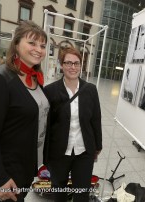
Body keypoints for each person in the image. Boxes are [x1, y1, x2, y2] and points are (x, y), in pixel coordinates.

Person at [0, 20, 49, 202]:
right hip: (7, 174)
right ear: (16, 44)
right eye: (32, 43)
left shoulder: (34, 79)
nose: (38, 49)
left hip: (25, 167)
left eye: (42, 45)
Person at [44, 47, 102, 202]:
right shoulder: (50, 91)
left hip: (84, 152)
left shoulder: (90, 90)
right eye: (68, 63)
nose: (73, 67)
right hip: (58, 152)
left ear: (81, 65)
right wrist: (45, 155)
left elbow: (96, 119)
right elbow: (46, 126)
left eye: (76, 63)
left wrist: (98, 146)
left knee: (82, 193)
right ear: (61, 65)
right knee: (59, 189)